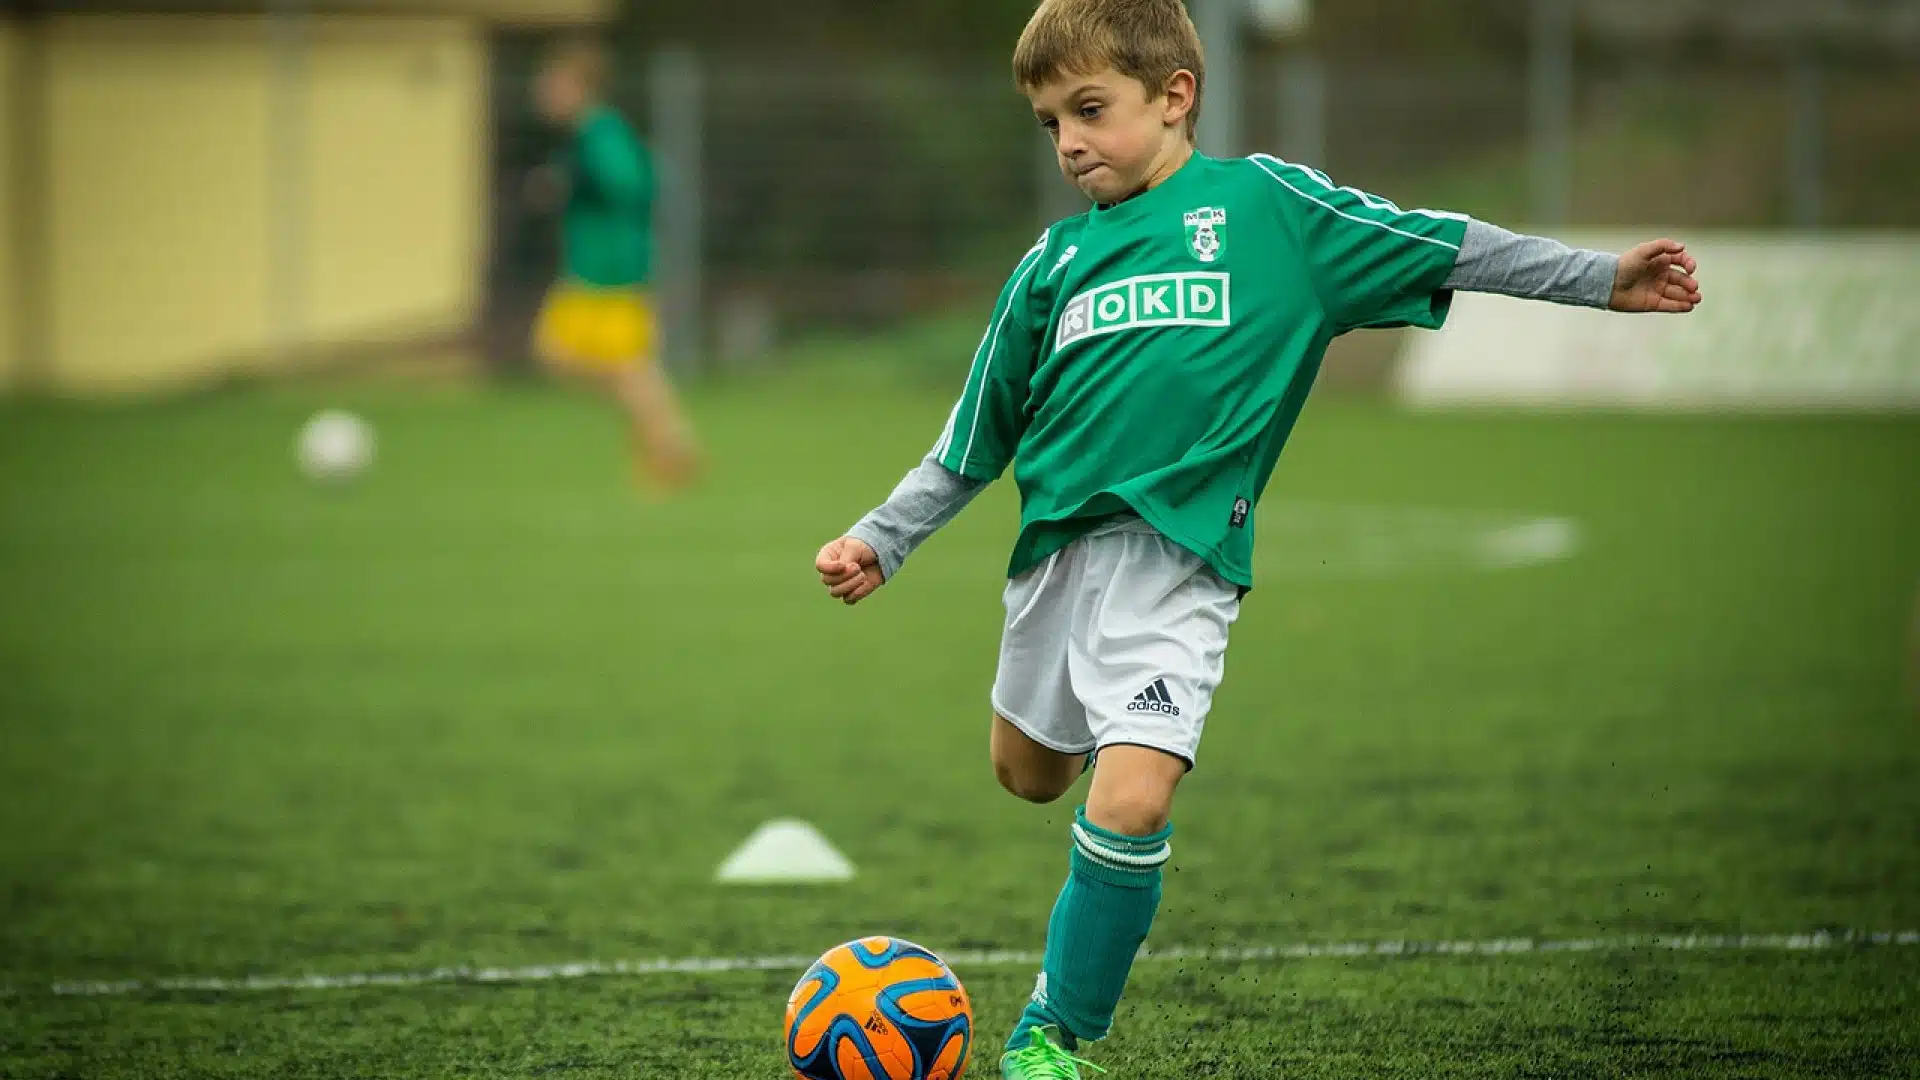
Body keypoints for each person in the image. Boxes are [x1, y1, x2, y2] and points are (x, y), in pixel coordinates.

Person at [813, 1, 1703, 1076]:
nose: (1070, 143)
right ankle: (1106, 748)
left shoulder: (1268, 210)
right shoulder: (1049, 265)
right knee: (1026, 774)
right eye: (1050, 123)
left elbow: (1445, 242)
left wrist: (1604, 280)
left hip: (1181, 569)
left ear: (1176, 96)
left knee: (1132, 798)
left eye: (1090, 110)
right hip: (1054, 566)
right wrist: (882, 538)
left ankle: (1053, 1036)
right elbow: (972, 439)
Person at [529, 36, 699, 491]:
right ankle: (668, 444)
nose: (544, 91)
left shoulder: (599, 132)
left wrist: (573, 183)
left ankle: (669, 449)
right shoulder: (587, 135)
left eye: (553, 83)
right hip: (595, 268)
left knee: (608, 365)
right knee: (585, 362)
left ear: (579, 86)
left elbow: (633, 182)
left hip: (610, 270)